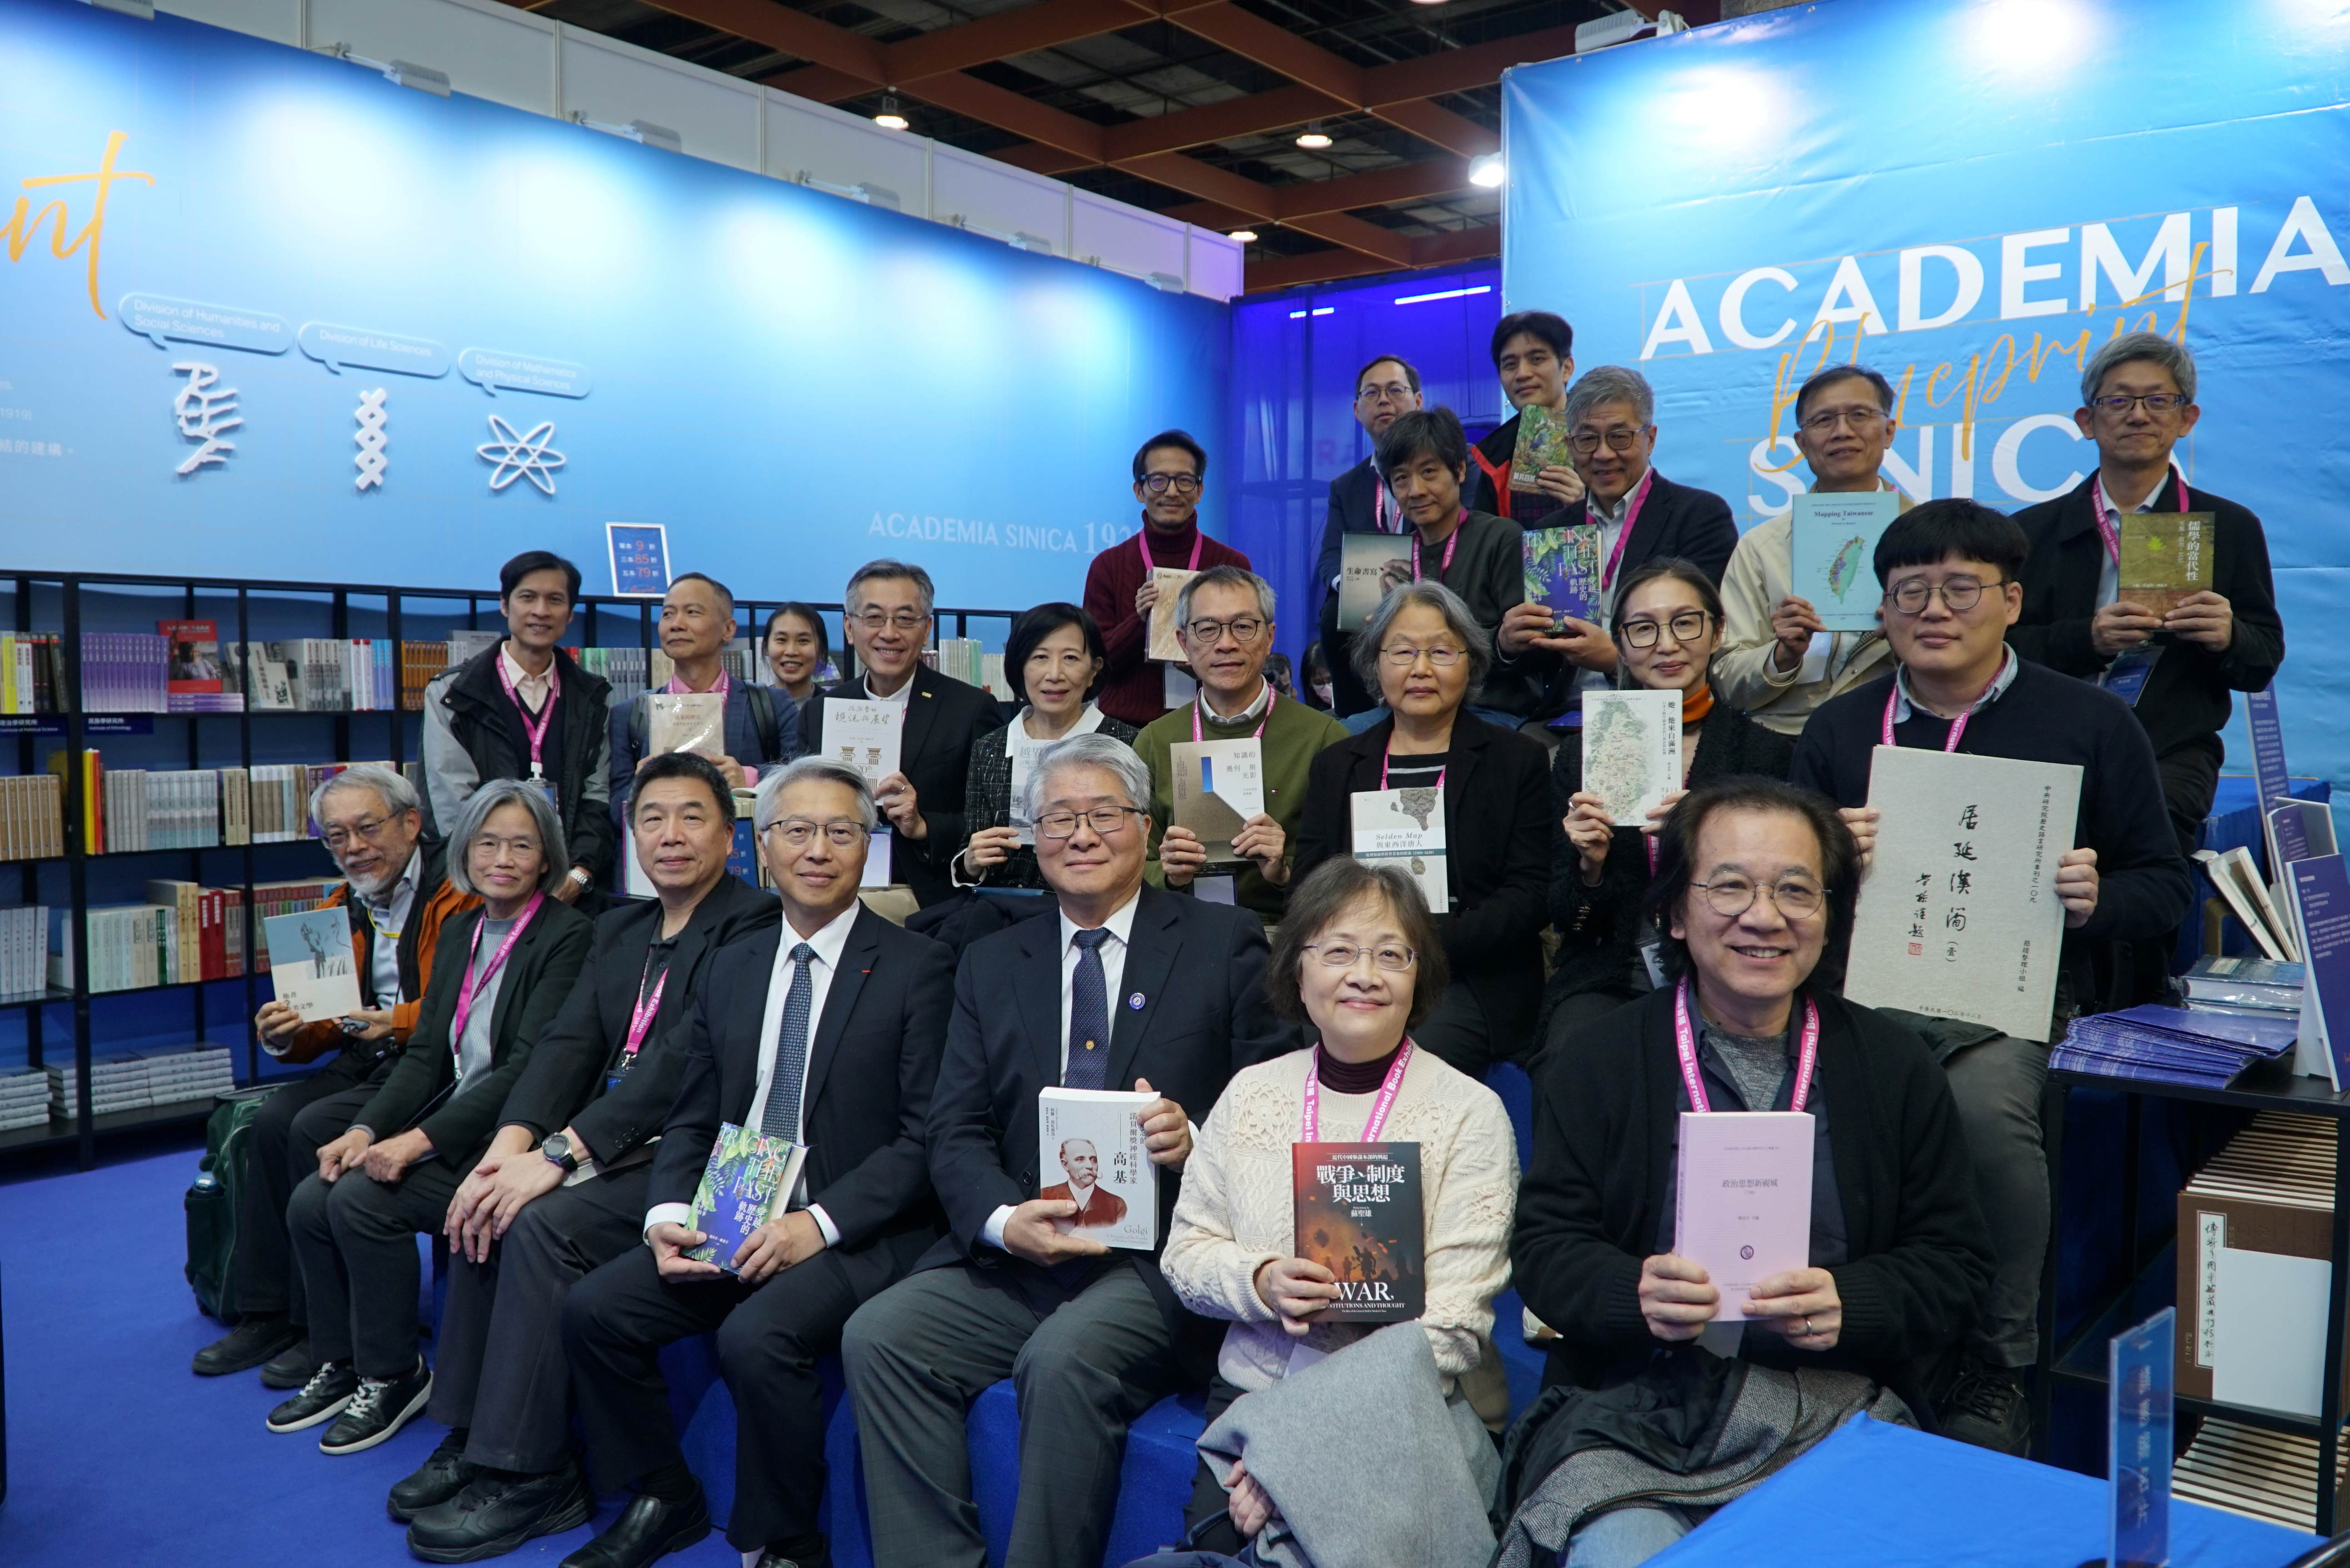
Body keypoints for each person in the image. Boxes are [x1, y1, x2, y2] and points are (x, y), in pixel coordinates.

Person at [1791, 498, 2195, 1454]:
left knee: (1978, 1110)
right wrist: (1818, 858)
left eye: (1960, 587)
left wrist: (2097, 893)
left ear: (2011, 600)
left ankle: (1998, 1359)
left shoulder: (2089, 721)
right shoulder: (1841, 728)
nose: (1934, 608)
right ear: (1882, 610)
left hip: (2014, 994)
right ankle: (1829, 1331)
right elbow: (1776, 886)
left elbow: (2164, 885)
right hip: (1859, 987)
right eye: (1908, 591)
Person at [1504, 778, 1993, 1568]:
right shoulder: (1595, 1057)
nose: (1762, 916)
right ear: (1671, 909)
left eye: (1795, 889)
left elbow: (1956, 1263)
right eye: (1728, 884)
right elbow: (1545, 1248)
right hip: (1643, 1415)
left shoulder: (1892, 1065)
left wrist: (1853, 1301)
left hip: (1836, 1405)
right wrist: (1632, 1292)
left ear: (1829, 913)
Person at [841, 732, 1290, 1568]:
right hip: (1024, 1252)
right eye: (1057, 819)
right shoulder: (986, 960)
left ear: (1146, 829)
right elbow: (955, 1125)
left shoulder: (1222, 943)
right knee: (881, 1334)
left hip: (1155, 1259)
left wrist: (1193, 1139)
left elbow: (1271, 1110)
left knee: (1063, 1356)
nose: (1080, 835)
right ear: (1032, 836)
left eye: (1102, 815)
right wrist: (1005, 1221)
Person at [554, 758, 955, 1568]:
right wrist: (669, 1216)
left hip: (857, 1223)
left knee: (756, 1335)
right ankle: (664, 1490)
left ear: (866, 847)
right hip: (737, 1207)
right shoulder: (734, 964)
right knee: (595, 1308)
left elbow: (924, 1137)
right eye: (796, 831)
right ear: (761, 848)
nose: (817, 849)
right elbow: (695, 1112)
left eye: (840, 831)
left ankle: (786, 1538)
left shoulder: (919, 967)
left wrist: (817, 1223)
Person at [388, 753, 778, 1558]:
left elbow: (680, 1063)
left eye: (691, 816)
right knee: (487, 1194)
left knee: (542, 1224)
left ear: (730, 833)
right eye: (652, 819)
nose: (670, 835)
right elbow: (567, 1044)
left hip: (697, 1150)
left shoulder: (754, 922)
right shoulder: (623, 925)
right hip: (613, 1140)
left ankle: (534, 1473)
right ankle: (470, 1431)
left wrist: (563, 1151)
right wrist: (507, 1146)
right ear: (631, 834)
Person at [1162, 856, 1518, 1556]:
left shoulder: (1470, 1113)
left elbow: (1454, 1328)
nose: (1365, 973)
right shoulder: (1252, 1094)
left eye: (1393, 954)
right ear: (1299, 970)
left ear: (1420, 979)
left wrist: (1293, 1445)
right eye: (1339, 951)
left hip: (1408, 1410)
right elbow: (1187, 1257)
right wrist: (1261, 1281)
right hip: (1251, 1395)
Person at [272, 779, 594, 1454]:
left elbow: (525, 1070)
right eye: (487, 843)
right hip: (450, 1114)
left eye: (522, 845)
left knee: (360, 1202)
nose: (502, 858)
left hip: (507, 1135)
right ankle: (342, 1360)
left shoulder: (568, 937)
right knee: (312, 1195)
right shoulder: (461, 929)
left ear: (546, 858)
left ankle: (395, 1375)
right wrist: (363, 1131)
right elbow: (424, 1056)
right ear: (466, 851)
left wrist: (412, 1144)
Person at [2010, 332, 2285, 994]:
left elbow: (2262, 659)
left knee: (2146, 846)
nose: (2138, 415)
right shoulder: (2032, 530)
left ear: (2187, 418)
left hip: (2170, 746)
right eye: (2119, 401)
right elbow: (2000, 652)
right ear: (2086, 421)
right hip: (2052, 742)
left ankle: (2140, 1004)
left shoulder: (2230, 525)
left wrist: (2227, 634)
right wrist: (2089, 637)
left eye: (2158, 401)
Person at [190, 764, 477, 1386]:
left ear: (411, 823)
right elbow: (320, 1026)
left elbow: (475, 1006)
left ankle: (326, 1328)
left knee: (309, 1127)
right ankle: (269, 1312)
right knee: (269, 1119)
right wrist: (286, 1034)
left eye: (367, 829)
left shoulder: (463, 895)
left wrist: (395, 1022)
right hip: (368, 1056)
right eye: (336, 836)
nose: (353, 848)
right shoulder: (332, 905)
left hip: (439, 1060)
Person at [1292, 581, 1551, 1077]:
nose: (1421, 668)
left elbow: (1530, 893)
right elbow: (1310, 880)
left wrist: (1424, 943)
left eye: (1440, 651)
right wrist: (1366, 946)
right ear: (1374, 663)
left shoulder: (1516, 760)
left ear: (1470, 661)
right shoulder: (1338, 764)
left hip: (1468, 975)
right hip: (1356, 966)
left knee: (1401, 1055)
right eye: (1403, 651)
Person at [1544, 560, 1795, 1058]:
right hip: (1613, 967)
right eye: (1642, 628)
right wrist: (1589, 866)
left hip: (1731, 967)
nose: (1665, 643)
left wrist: (1710, 833)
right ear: (1618, 643)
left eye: (1684, 622)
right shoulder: (1582, 753)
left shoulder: (1767, 753)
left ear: (1717, 630)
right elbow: (1566, 919)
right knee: (1569, 1056)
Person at [1497, 367, 1742, 727]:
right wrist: (1509, 645)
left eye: (1620, 437)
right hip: (1563, 718)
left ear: (1651, 439)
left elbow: (1704, 638)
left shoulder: (1699, 516)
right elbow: (1537, 659)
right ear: (1569, 447)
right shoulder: (1552, 532)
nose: (1603, 454)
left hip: (1664, 713)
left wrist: (1616, 658)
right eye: (1587, 439)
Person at [1133, 567, 1348, 924]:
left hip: (1285, 931)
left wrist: (1284, 871)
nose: (1226, 643)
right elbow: (1128, 863)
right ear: (1183, 643)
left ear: (1270, 637)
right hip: (1178, 927)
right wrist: (1168, 874)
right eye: (1207, 629)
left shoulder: (1324, 738)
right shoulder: (1155, 740)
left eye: (1244, 626)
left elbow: (1349, 870)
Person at [1714, 365, 1912, 735]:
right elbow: (1727, 680)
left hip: (1898, 729)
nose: (1843, 431)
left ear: (1888, 431)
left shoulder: (1934, 541)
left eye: (1859, 415)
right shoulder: (1761, 547)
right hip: (1786, 738)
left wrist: (1906, 637)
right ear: (1802, 443)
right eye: (1823, 420)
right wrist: (1781, 655)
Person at [1320, 406, 1544, 726]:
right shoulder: (1394, 558)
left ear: (1460, 471)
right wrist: (1380, 632)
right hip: (1408, 711)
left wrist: (1502, 643)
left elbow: (1532, 652)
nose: (1416, 491)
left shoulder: (1502, 538)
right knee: (1340, 740)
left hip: (1487, 709)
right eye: (1401, 478)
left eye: (1429, 472)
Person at [798, 559, 1003, 909]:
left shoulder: (971, 709)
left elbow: (990, 820)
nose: (889, 633)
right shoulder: (821, 711)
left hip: (922, 893)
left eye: (905, 619)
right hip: (828, 884)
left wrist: (923, 825)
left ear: (926, 630)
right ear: (849, 627)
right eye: (874, 618)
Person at [422, 549, 616, 904]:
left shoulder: (593, 699)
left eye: (555, 600)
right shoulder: (452, 694)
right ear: (504, 605)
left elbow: (596, 800)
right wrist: (502, 875)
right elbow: (451, 805)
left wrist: (576, 875)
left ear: (570, 613)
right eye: (528, 597)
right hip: (482, 891)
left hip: (568, 897)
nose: (541, 611)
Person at [951, 603, 1139, 894]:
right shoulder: (990, 748)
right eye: (1040, 657)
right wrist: (972, 862)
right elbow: (971, 852)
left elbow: (1141, 850)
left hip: (1099, 905)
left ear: (1093, 670)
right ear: (1019, 668)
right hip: (1005, 910)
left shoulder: (1129, 743)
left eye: (1071, 658)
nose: (1055, 674)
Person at [1082, 429, 1253, 729]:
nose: (1172, 492)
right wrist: (1139, 621)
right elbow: (1095, 666)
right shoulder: (1107, 566)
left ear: (1199, 491)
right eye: (1159, 480)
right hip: (1124, 728)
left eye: (1184, 480)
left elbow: (1249, 651)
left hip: (1212, 721)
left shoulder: (1233, 565)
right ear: (1139, 490)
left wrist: (1204, 664)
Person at [608, 573, 797, 834]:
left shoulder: (772, 705)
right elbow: (615, 813)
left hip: (745, 861)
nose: (676, 624)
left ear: (728, 629)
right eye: (668, 614)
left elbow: (799, 782)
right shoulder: (630, 714)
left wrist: (749, 778)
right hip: (664, 860)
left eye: (692, 612)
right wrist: (639, 785)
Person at [1314, 354, 1423, 713]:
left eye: (1395, 390)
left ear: (1418, 400)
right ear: (1357, 409)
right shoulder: (1346, 486)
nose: (1383, 401)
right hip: (1366, 606)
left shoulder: (1456, 471)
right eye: (1372, 394)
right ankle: (1355, 715)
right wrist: (1354, 587)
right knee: (1334, 612)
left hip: (1431, 590)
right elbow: (1330, 557)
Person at [1467, 310, 1585, 526]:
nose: (1522, 374)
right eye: (1510, 364)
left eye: (1537, 359)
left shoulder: (1606, 439)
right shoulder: (1493, 456)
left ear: (1567, 368)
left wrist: (1588, 510)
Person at [1040, 1138, 1128, 1228]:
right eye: (1080, 1159)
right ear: (1065, 1165)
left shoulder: (1116, 1205)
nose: (1090, 1166)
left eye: (1093, 1160)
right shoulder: (1046, 1195)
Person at [762, 602, 830, 706]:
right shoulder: (750, 709)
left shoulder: (833, 711)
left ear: (821, 650)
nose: (791, 652)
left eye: (803, 641)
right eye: (782, 640)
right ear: (766, 648)